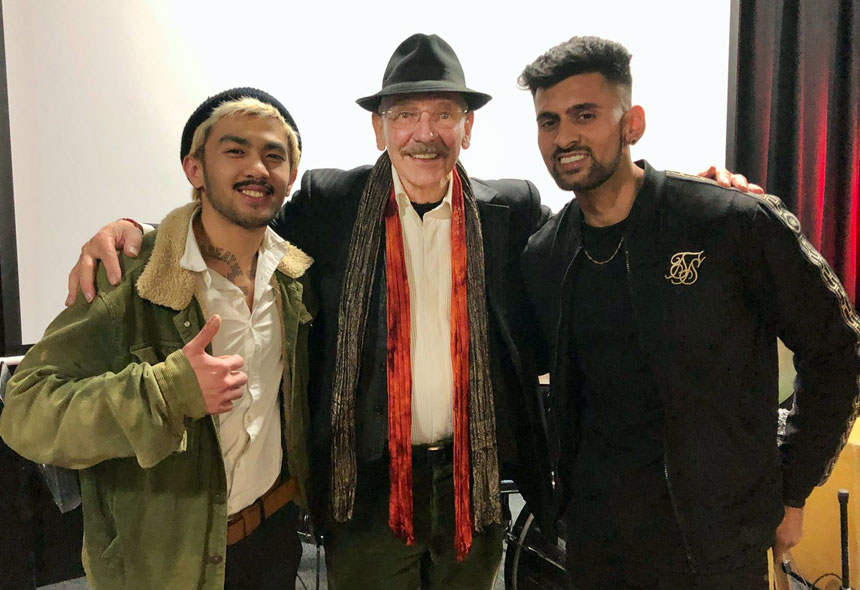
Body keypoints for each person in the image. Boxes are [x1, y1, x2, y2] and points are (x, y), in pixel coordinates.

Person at [65, 35, 756, 590]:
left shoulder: (511, 209)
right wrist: (136, 230)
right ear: (379, 128)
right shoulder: (329, 205)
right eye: (404, 115)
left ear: (468, 127)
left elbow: (598, 222)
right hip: (365, 488)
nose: (425, 133)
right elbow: (235, 220)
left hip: (474, 484)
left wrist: (684, 195)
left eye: (443, 114)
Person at [519, 36, 860, 589]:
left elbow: (837, 347)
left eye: (585, 115)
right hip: (597, 545)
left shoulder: (729, 222)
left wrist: (792, 486)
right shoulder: (546, 254)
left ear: (632, 123)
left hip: (715, 545)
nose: (565, 138)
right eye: (548, 121)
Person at [0, 88, 315, 590]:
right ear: (195, 169)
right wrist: (166, 393)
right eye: (235, 150)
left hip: (272, 545)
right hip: (164, 565)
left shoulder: (293, 278)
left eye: (273, 155)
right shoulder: (129, 277)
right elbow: (26, 411)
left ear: (291, 176)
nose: (257, 167)